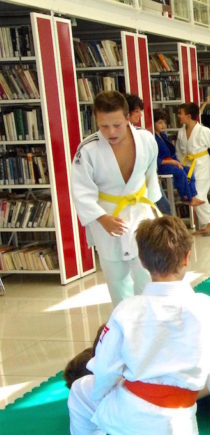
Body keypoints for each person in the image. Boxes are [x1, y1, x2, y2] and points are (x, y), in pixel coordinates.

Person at [67, 216, 210, 435]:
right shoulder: (205, 308)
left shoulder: (126, 310)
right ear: (187, 258)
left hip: (130, 409)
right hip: (172, 429)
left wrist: (103, 394)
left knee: (82, 392)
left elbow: (104, 366)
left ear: (142, 262)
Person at [70, 91, 161, 307]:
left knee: (148, 276)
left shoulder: (146, 139)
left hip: (141, 213)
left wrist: (155, 210)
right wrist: (101, 218)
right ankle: (125, 332)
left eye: (116, 125)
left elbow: (150, 174)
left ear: (128, 116)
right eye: (104, 126)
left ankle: (150, 327)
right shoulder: (88, 149)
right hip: (108, 217)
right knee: (117, 281)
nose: (110, 132)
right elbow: (80, 191)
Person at [176, 101, 210, 235]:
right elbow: (179, 151)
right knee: (193, 195)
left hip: (202, 165)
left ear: (188, 116)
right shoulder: (181, 132)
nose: (178, 116)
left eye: (180, 113)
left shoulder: (204, 130)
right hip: (188, 166)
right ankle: (209, 222)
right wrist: (180, 164)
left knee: (197, 195)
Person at [125, 93, 172, 216]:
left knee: (164, 207)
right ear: (126, 112)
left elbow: (151, 159)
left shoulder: (143, 135)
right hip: (132, 185)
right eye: (136, 111)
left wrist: (153, 174)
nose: (139, 115)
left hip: (148, 177)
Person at [153, 109, 203, 207]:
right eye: (160, 123)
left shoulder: (163, 135)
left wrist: (177, 162)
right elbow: (154, 159)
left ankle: (192, 195)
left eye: (164, 123)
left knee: (188, 170)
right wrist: (172, 162)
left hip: (171, 162)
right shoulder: (153, 137)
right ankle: (185, 196)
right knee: (179, 172)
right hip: (161, 165)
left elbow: (171, 152)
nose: (163, 125)